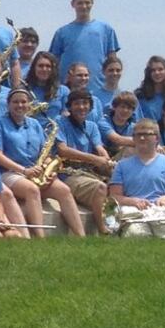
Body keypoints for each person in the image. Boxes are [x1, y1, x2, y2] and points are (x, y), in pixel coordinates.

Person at [0, 87, 85, 238]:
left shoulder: (35, 124)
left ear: (29, 104)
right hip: (11, 173)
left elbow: (45, 153)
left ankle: (81, 237)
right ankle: (40, 237)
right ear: (8, 104)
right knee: (32, 190)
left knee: (64, 190)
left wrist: (48, 170)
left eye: (24, 102)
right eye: (16, 102)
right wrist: (24, 171)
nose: (20, 105)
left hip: (36, 171)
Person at [110, 121, 165, 236]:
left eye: (147, 134)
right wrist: (133, 201)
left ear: (157, 138)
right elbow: (115, 196)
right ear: (133, 139)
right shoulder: (122, 166)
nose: (142, 138)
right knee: (136, 235)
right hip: (134, 214)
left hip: (162, 213)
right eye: (138, 135)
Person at [53, 88, 114, 233]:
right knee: (100, 188)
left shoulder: (92, 126)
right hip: (67, 174)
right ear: (69, 107)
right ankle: (102, 230)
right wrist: (94, 159)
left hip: (87, 173)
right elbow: (63, 149)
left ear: (91, 107)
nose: (81, 107)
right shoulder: (59, 122)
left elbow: (99, 148)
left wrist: (107, 161)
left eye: (85, 103)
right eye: (77, 104)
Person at [47, 0, 120, 95]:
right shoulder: (62, 33)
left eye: (87, 2)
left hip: (98, 89)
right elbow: (53, 63)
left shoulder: (106, 30)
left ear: (92, 3)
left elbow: (113, 62)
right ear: (72, 4)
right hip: (69, 91)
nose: (84, 6)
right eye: (80, 3)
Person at [135, 56, 165, 126]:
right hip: (147, 133)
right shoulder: (139, 96)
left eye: (160, 69)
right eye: (153, 70)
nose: (157, 73)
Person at [99, 91, 141, 156]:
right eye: (122, 107)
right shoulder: (103, 122)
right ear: (114, 107)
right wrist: (146, 142)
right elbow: (117, 139)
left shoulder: (134, 128)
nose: (125, 110)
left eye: (129, 108)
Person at [24, 50, 64, 119]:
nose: (44, 69)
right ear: (34, 68)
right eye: (40, 66)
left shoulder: (63, 91)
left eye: (48, 66)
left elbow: (66, 114)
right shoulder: (23, 89)